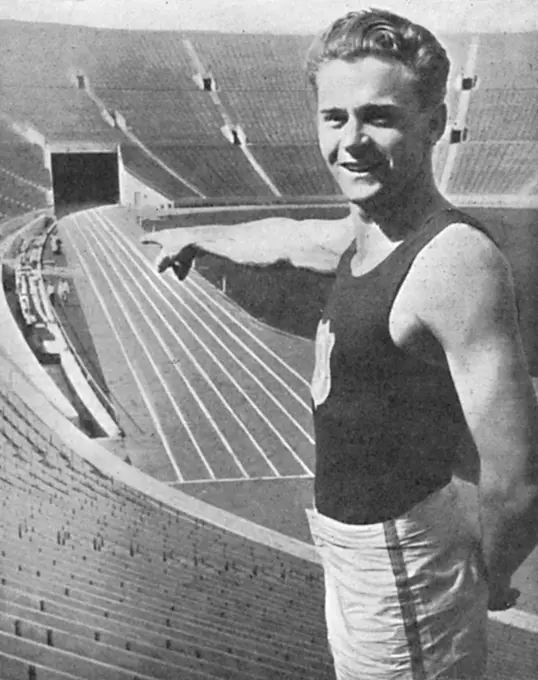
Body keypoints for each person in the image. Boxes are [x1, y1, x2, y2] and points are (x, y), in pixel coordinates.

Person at [142, 9, 538, 679]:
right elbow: (292, 236)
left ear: (434, 125)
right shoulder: (370, 233)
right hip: (358, 558)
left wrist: (489, 581)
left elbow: (517, 478)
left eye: (378, 117)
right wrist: (202, 237)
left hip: (404, 568)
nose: (351, 141)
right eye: (335, 118)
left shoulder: (453, 261)